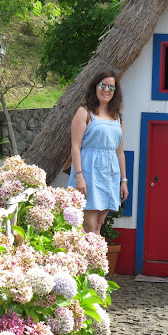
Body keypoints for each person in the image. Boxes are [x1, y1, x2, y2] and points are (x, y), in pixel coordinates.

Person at [68, 71, 128, 234]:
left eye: (111, 87)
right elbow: (75, 147)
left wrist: (123, 181)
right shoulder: (85, 112)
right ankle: (86, 251)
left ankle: (96, 251)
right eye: (103, 85)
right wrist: (79, 176)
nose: (106, 90)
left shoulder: (117, 117)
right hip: (89, 173)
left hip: (109, 174)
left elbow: (120, 152)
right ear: (95, 87)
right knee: (88, 224)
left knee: (99, 223)